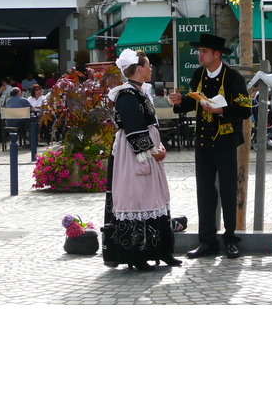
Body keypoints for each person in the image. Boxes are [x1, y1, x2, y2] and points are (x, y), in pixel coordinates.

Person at [170, 33, 252, 259]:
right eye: (199, 51)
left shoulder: (233, 78)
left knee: (228, 192)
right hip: (203, 143)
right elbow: (192, 100)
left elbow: (246, 110)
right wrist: (179, 103)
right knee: (205, 192)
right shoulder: (198, 75)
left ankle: (230, 239)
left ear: (217, 54)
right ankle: (207, 241)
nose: (200, 55)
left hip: (225, 143)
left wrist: (222, 111)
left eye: (204, 51)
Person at [101, 49, 180, 271]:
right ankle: (137, 256)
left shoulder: (140, 92)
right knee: (136, 199)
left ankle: (162, 251)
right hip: (133, 155)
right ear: (139, 69)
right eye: (148, 66)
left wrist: (158, 148)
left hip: (147, 153)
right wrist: (153, 151)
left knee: (154, 198)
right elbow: (133, 129)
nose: (151, 69)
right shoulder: (126, 95)